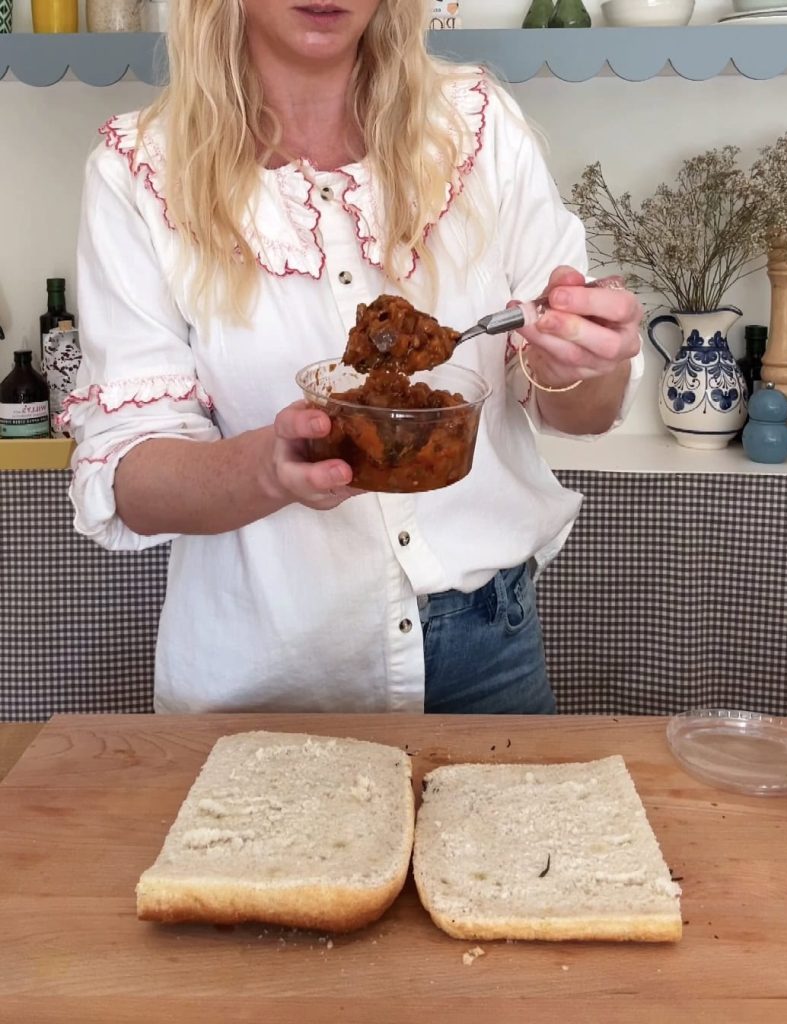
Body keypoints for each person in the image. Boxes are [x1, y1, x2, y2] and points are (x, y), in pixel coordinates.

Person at [62, 0, 643, 716]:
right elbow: (130, 479)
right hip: (268, 667)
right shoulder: (139, 174)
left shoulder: (477, 130)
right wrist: (268, 468)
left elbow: (580, 411)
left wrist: (587, 359)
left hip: (490, 648)